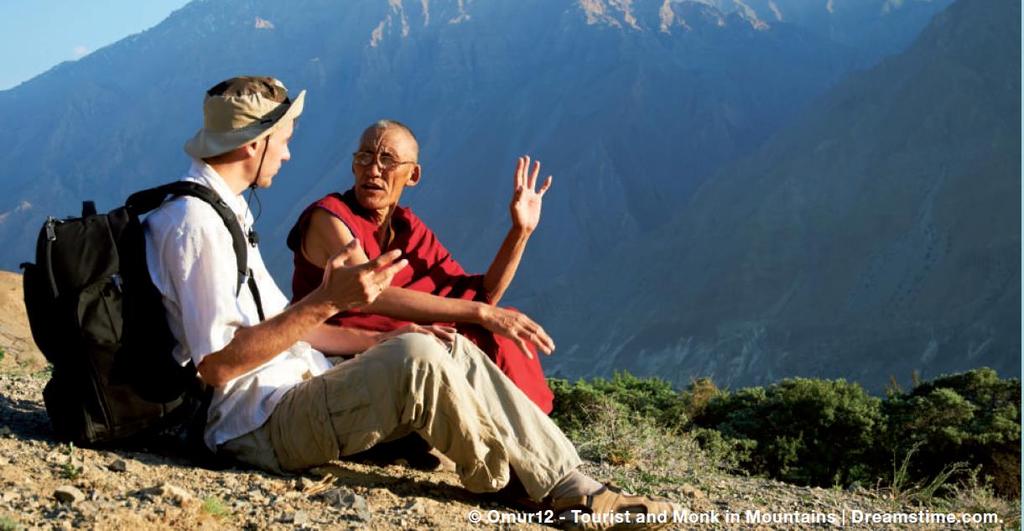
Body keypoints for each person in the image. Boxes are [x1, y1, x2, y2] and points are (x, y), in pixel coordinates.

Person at [145, 76, 673, 525]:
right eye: (281, 139)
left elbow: (291, 328)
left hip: (294, 388)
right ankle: (511, 479)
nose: (288, 152)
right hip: (252, 426)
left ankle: (568, 481)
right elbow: (217, 365)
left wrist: (385, 331)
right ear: (251, 143)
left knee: (445, 348)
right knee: (418, 359)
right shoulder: (196, 225)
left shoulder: (227, 214)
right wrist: (327, 301)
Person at [288, 119, 555, 413]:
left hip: (405, 344)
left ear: (412, 175)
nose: (373, 169)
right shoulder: (328, 218)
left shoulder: (407, 228)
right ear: (353, 166)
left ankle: (526, 427)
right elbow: (367, 291)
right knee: (483, 324)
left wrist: (520, 232)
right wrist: (482, 313)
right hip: (343, 352)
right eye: (364, 157)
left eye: (387, 160)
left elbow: (480, 294)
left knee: (502, 330)